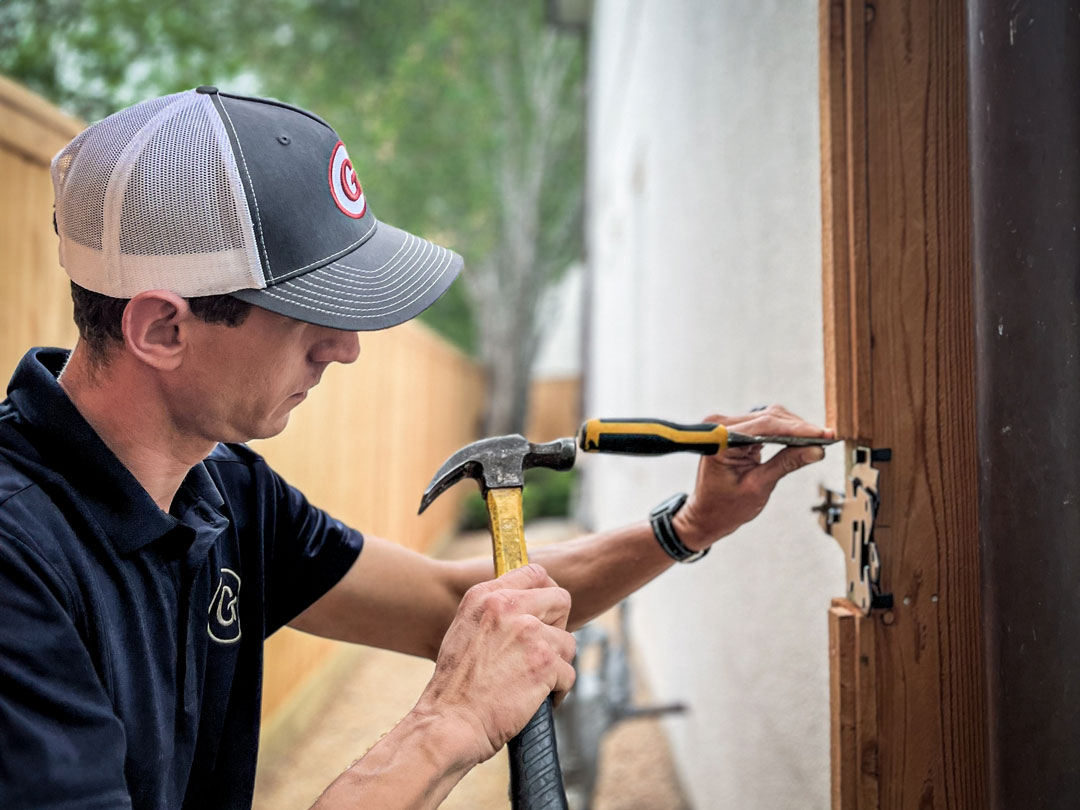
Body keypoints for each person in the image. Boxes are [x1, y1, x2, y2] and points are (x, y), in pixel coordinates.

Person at [0, 88, 833, 810]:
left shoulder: (220, 492)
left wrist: (687, 525)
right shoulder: (17, 564)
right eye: (309, 312)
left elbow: (452, 603)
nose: (345, 348)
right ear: (162, 327)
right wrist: (447, 724)